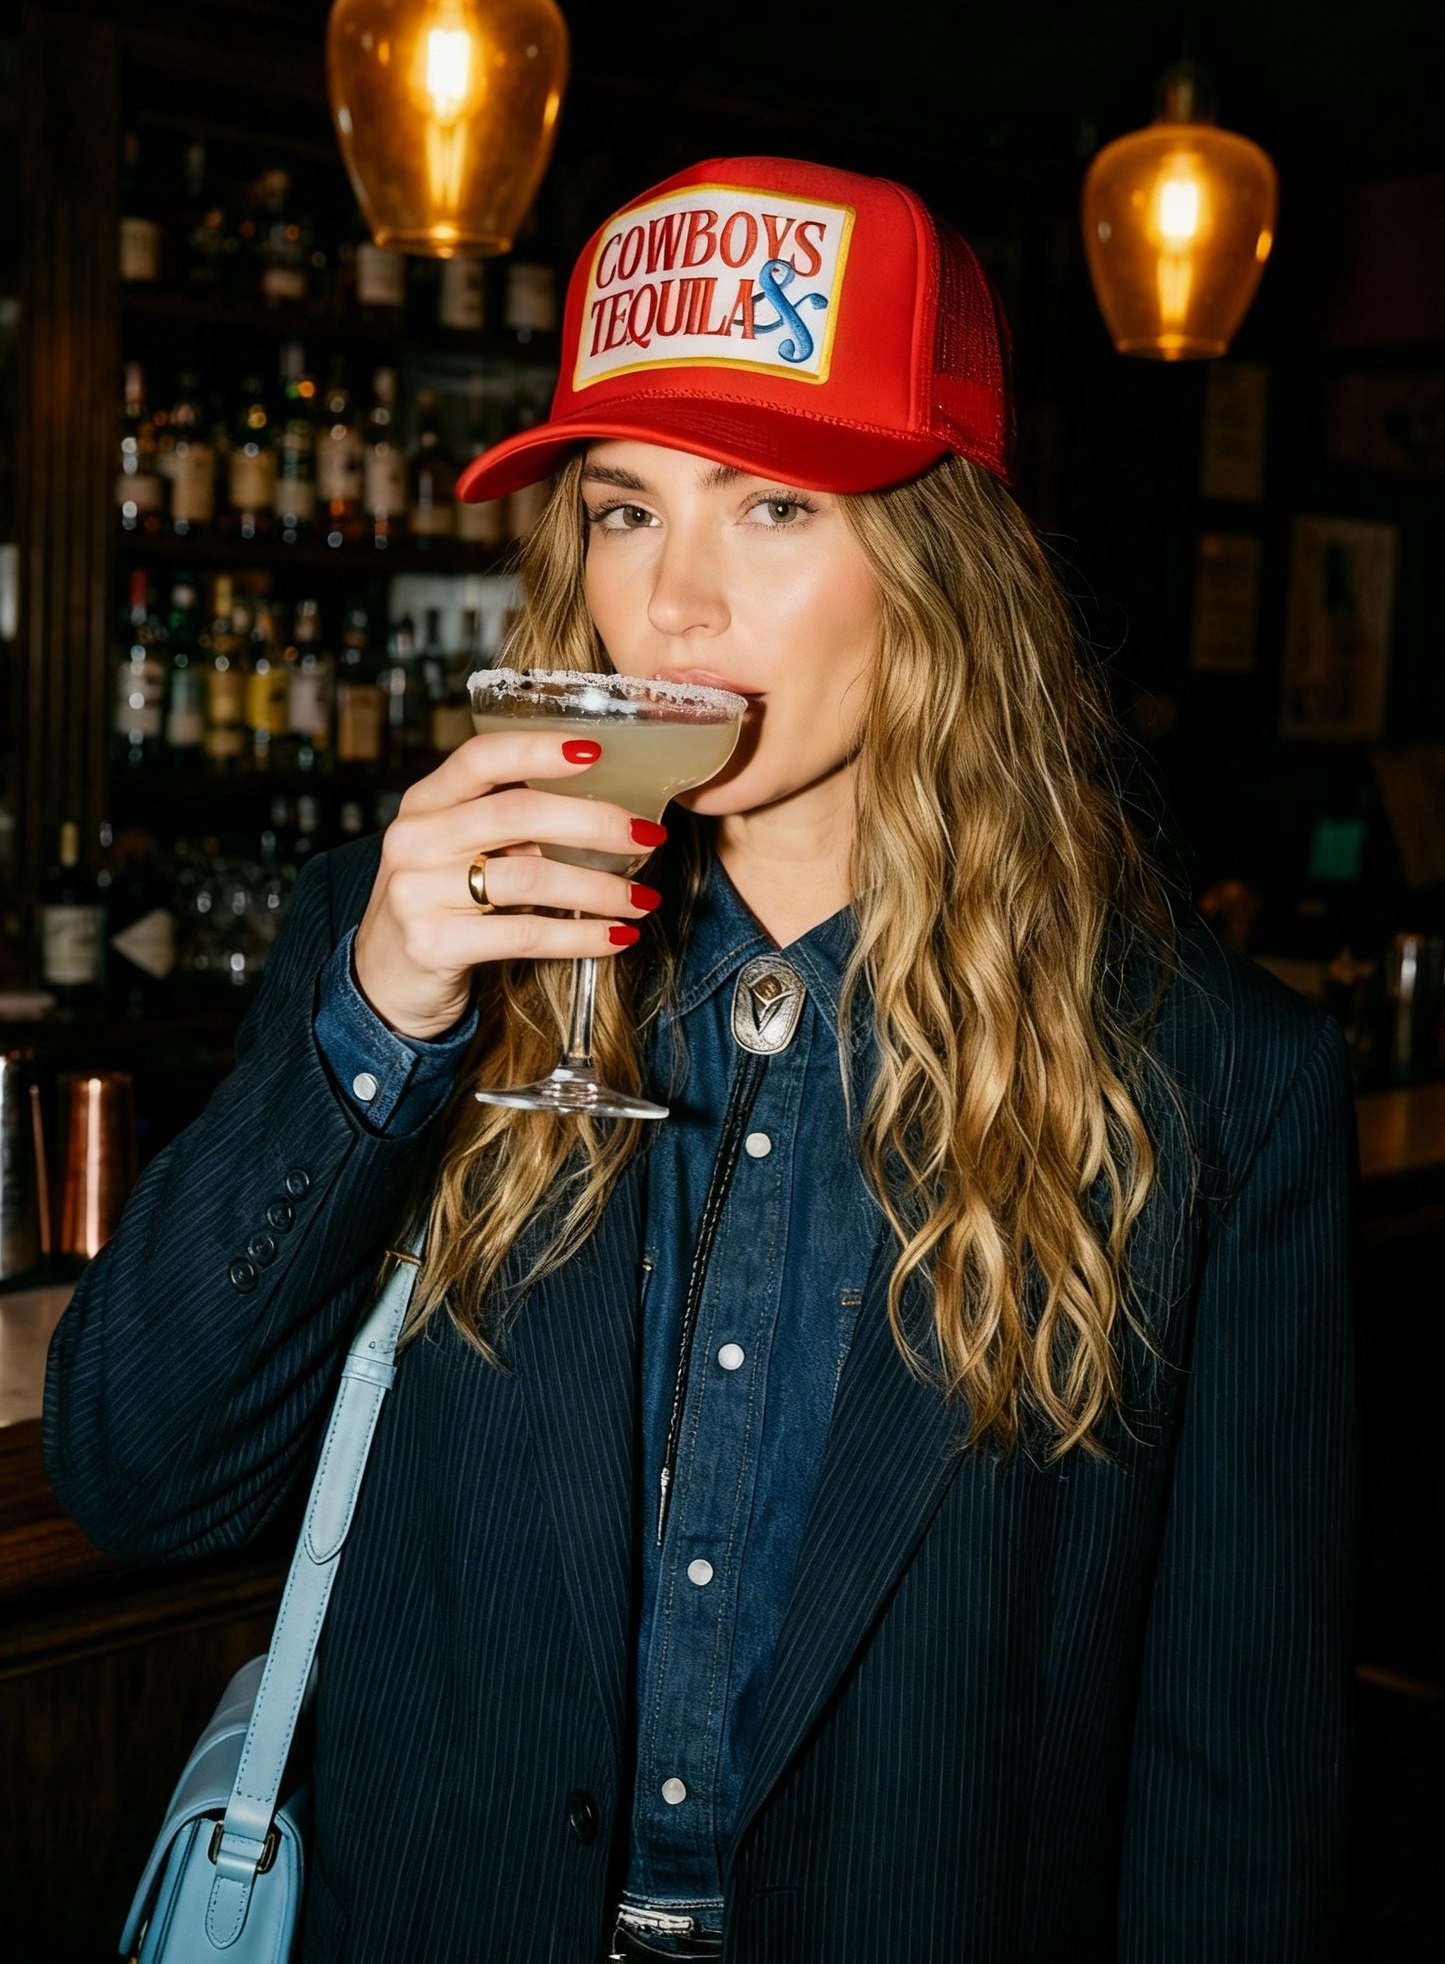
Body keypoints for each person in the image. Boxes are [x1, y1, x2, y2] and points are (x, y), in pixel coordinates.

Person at [45, 157, 1357, 1964]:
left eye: (771, 508)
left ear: (938, 563)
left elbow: (1235, 1771)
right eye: (623, 508)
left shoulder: (1212, 1070)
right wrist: (379, 1021)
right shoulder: (401, 930)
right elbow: (138, 1474)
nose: (669, 605)